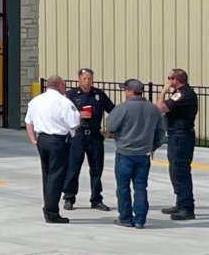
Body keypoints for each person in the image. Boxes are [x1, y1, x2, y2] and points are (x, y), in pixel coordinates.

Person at [102, 78, 163, 228]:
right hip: (144, 153)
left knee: (123, 187)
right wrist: (153, 146)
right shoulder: (153, 109)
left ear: (130, 91)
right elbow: (161, 132)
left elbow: (110, 125)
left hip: (125, 152)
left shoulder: (123, 108)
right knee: (140, 186)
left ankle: (125, 218)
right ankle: (140, 219)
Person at [24, 76, 81, 224]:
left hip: (42, 139)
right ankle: (52, 212)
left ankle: (48, 206)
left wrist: (34, 140)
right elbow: (73, 123)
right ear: (61, 86)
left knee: (47, 175)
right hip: (58, 141)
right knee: (56, 176)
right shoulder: (64, 102)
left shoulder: (36, 101)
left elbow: (28, 122)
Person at [62, 68, 113, 212]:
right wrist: (78, 114)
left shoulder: (98, 95)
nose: (87, 81)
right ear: (79, 79)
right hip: (78, 135)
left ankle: (96, 199)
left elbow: (114, 111)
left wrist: (108, 130)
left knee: (96, 168)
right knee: (73, 167)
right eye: (84, 78)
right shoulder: (71, 95)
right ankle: (69, 198)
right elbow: (63, 113)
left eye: (89, 78)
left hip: (95, 136)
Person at [161, 68, 200, 221]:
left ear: (175, 80)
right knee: (175, 169)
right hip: (177, 135)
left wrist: (163, 91)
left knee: (180, 170)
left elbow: (160, 108)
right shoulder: (181, 93)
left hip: (181, 136)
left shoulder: (183, 94)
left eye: (169, 78)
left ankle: (187, 207)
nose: (168, 81)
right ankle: (180, 202)